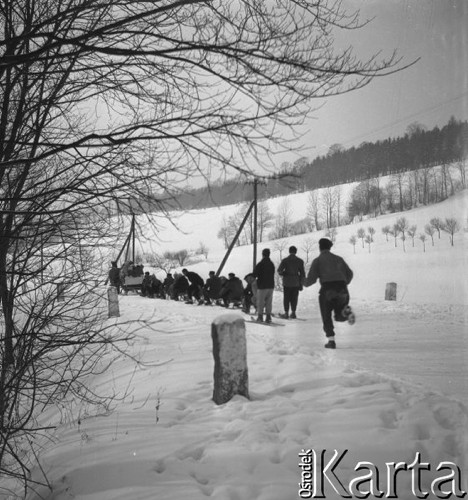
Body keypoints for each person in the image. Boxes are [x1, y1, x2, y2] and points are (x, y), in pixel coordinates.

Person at [304, 237, 355, 349]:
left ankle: (331, 341)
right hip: (342, 289)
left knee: (326, 315)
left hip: (328, 290)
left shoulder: (318, 261)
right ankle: (346, 313)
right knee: (339, 315)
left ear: (320, 248)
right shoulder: (339, 259)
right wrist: (344, 283)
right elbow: (350, 274)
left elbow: (311, 280)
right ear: (330, 247)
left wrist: (303, 282)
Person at [277, 245, 305, 319]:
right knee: (294, 298)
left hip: (287, 282)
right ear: (296, 252)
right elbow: (302, 273)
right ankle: (293, 313)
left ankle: (286, 313)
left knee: (286, 298)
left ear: (289, 251)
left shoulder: (285, 260)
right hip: (296, 282)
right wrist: (301, 283)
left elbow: (279, 270)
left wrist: (284, 273)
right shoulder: (300, 261)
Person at [253, 248, 275, 323]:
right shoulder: (271, 264)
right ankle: (268, 317)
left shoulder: (260, 264)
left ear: (262, 254)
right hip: (271, 285)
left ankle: (260, 317)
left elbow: (254, 274)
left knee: (260, 302)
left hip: (262, 286)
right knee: (269, 302)